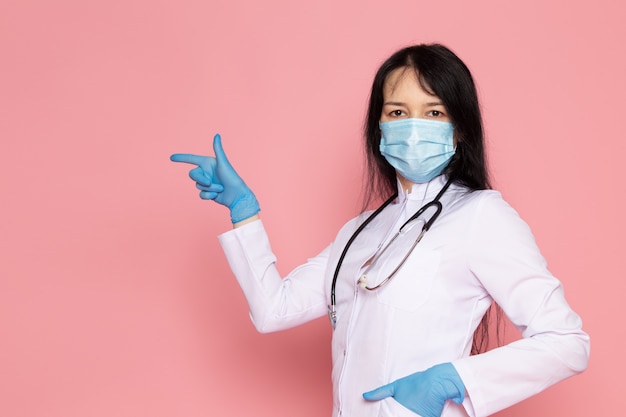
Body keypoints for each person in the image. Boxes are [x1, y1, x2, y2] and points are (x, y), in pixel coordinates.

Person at [170, 44, 590, 417]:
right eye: (398, 112)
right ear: (380, 128)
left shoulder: (481, 216)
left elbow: (568, 342)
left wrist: (452, 381)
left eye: (434, 112)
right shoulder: (361, 231)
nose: (413, 127)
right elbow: (273, 311)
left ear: (458, 129)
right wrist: (244, 213)